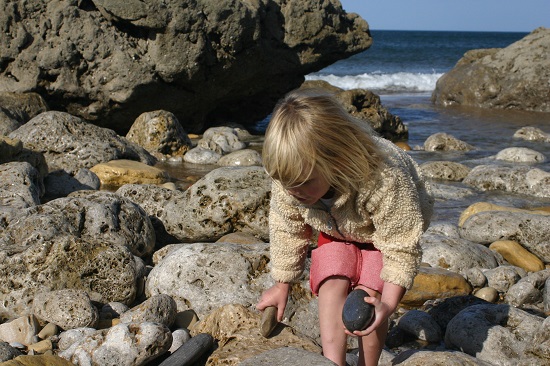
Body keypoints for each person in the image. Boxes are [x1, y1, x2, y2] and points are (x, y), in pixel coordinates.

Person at [256, 88, 433, 366]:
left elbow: (401, 246)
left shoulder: (384, 178)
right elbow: (286, 229)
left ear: (335, 160)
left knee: (367, 300)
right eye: (285, 182)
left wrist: (387, 304)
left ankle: (368, 363)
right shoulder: (291, 181)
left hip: (383, 231)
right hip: (336, 227)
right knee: (331, 282)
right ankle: (332, 361)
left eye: (302, 183)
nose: (292, 192)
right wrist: (282, 284)